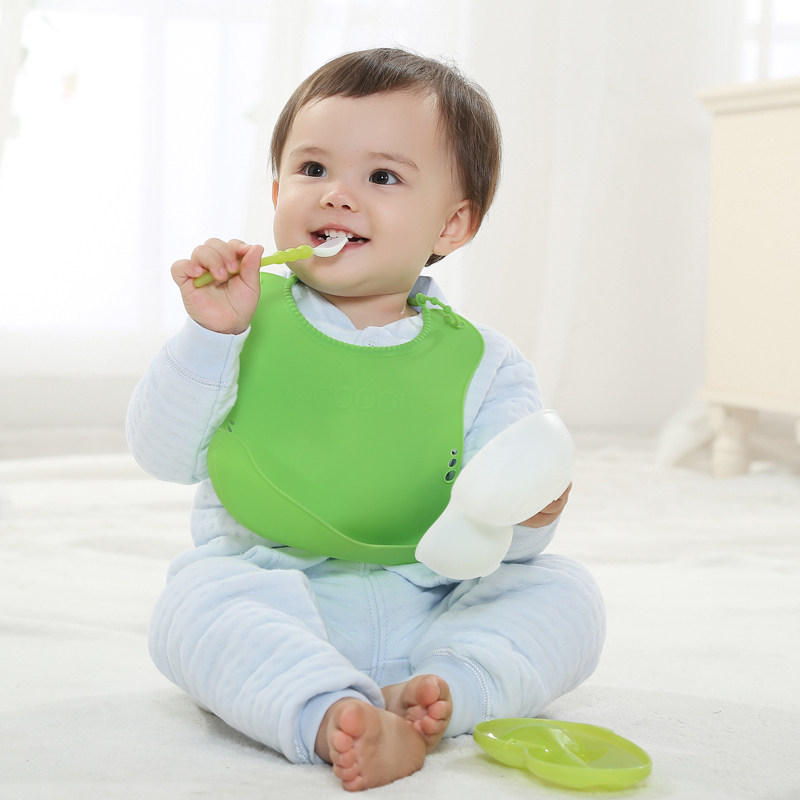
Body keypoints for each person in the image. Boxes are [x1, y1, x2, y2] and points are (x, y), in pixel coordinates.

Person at [127, 48, 605, 792]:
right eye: (313, 169)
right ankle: (327, 711)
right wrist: (209, 338)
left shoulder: (488, 365)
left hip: (434, 598)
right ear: (277, 190)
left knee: (563, 593)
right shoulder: (238, 323)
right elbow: (162, 454)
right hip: (276, 593)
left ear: (452, 224)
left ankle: (449, 691)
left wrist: (530, 510)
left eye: (382, 177)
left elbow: (499, 541)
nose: (337, 195)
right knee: (195, 603)